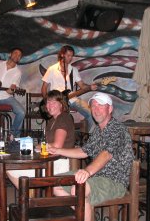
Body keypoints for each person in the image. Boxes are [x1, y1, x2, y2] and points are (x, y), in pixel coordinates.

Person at [48, 92, 134, 221]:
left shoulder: (117, 129)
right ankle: (84, 212)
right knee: (54, 183)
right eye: (93, 106)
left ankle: (83, 210)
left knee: (78, 190)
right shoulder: (98, 130)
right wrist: (58, 150)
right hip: (97, 176)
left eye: (100, 106)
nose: (96, 110)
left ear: (110, 109)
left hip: (114, 181)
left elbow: (106, 155)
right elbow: (84, 151)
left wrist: (87, 171)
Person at [6, 90, 75, 187]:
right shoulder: (52, 120)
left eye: (54, 102)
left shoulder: (63, 118)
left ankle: (26, 198)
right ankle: (28, 197)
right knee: (13, 168)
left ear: (61, 104)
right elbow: (46, 144)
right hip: (49, 161)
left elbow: (57, 145)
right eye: (48, 102)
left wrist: (34, 146)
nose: (50, 105)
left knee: (11, 169)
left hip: (58, 164)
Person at [41, 45, 97, 133]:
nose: (70, 58)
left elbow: (82, 85)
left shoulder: (73, 70)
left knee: (92, 113)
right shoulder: (52, 69)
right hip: (57, 100)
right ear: (62, 55)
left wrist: (90, 87)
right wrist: (46, 101)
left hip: (71, 98)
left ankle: (87, 137)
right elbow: (44, 87)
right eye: (68, 55)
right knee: (62, 119)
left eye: (72, 56)